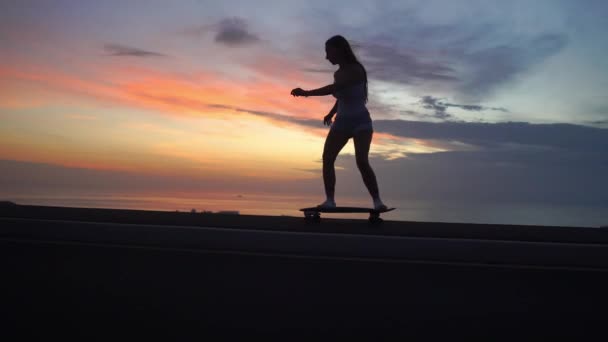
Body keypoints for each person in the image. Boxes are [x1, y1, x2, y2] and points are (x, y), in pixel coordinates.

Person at [291, 35, 387, 211]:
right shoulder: (338, 73)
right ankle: (330, 200)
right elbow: (342, 95)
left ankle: (377, 201)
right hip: (342, 123)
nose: (327, 57)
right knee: (327, 159)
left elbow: (335, 89)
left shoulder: (356, 70)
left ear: (339, 50)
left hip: (361, 123)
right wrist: (331, 113)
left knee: (362, 161)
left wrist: (306, 93)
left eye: (328, 52)